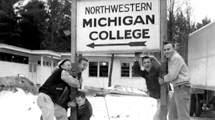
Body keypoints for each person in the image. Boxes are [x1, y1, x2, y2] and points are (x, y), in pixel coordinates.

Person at [159, 41, 191, 120]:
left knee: (183, 117)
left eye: (168, 49)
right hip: (177, 88)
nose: (166, 51)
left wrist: (163, 77)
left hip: (182, 88)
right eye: (165, 50)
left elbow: (172, 76)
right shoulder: (171, 59)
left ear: (173, 49)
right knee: (173, 116)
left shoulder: (175, 58)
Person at [133, 54, 168, 120]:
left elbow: (166, 72)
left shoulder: (157, 70)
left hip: (164, 96)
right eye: (145, 62)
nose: (147, 64)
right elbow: (136, 72)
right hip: (158, 98)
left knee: (157, 118)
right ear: (143, 65)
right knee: (162, 117)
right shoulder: (146, 73)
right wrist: (136, 61)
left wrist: (165, 79)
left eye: (148, 62)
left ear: (151, 63)